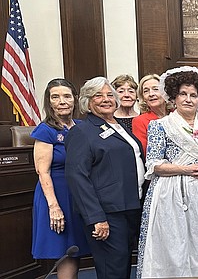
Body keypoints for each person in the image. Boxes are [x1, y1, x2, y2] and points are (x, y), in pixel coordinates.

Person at [137, 66, 198, 277]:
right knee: (175, 245)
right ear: (174, 96)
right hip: (172, 194)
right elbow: (154, 165)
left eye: (194, 95)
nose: (188, 99)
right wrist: (186, 169)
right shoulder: (159, 126)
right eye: (183, 94)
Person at [65, 77, 146, 279]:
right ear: (87, 101)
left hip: (130, 207)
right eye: (98, 95)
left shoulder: (118, 126)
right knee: (113, 269)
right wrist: (96, 218)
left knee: (124, 264)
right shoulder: (82, 131)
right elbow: (77, 177)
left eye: (110, 94)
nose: (106, 99)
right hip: (107, 213)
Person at [31, 79, 90, 278]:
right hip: (56, 195)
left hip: (77, 194)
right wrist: (54, 207)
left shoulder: (81, 126)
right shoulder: (46, 130)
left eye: (66, 96)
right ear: (49, 102)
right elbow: (42, 171)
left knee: (75, 249)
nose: (62, 101)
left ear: (75, 99)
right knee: (64, 249)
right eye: (55, 97)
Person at [132, 74, 170, 153]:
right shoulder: (139, 121)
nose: (151, 94)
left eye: (156, 89)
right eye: (146, 91)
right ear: (143, 98)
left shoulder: (177, 114)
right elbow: (144, 151)